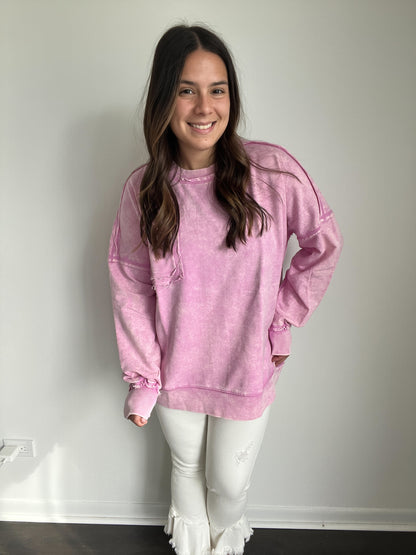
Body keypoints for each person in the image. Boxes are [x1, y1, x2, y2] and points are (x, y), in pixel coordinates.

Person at [108, 24, 342, 555]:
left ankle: (224, 543)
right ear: (163, 99)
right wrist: (144, 377)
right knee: (186, 467)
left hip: (247, 363)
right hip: (174, 368)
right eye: (186, 90)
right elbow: (130, 284)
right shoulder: (144, 189)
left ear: (231, 97)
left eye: (217, 89)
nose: (204, 107)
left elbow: (323, 244)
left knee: (229, 485)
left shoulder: (273, 173)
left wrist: (281, 319)